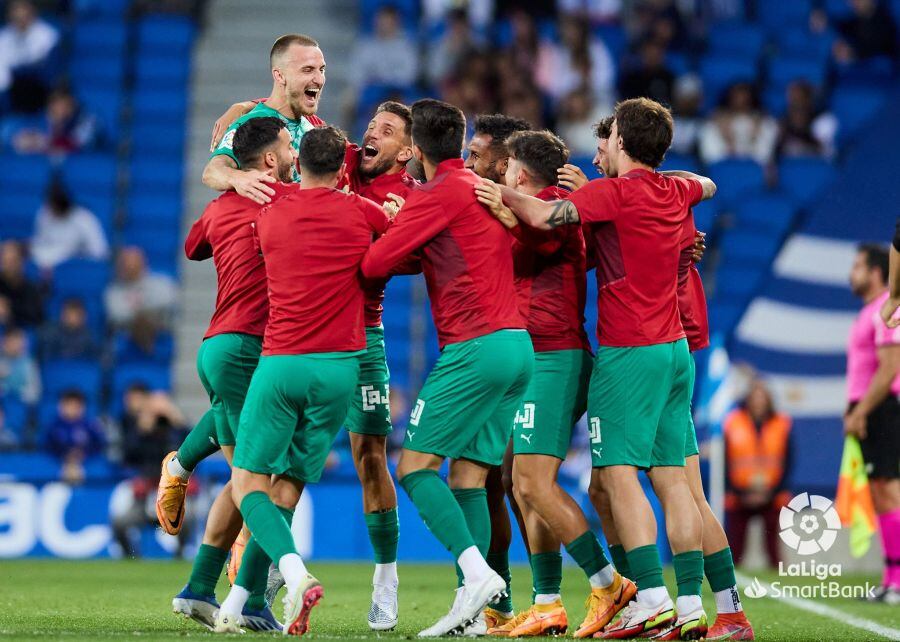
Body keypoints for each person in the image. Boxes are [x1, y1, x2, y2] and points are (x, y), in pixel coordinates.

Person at [480, 98, 717, 639]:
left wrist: (502, 193)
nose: (598, 150)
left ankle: (635, 592)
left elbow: (543, 216)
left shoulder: (606, 194)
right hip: (672, 349)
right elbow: (707, 183)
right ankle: (699, 608)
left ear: (623, 143)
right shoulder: (669, 189)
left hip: (623, 349)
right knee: (669, 485)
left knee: (607, 477)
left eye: (606, 141)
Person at [359, 99, 533, 638]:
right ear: (458, 143)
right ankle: (475, 614)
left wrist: (380, 224)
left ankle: (476, 574)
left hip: (475, 348)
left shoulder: (434, 195)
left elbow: (374, 266)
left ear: (415, 151)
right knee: (469, 476)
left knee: (413, 468)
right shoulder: (479, 189)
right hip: (517, 346)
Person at [213, 126, 392, 635]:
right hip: (340, 370)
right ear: (342, 170)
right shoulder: (362, 211)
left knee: (249, 483)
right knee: (287, 488)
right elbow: (390, 229)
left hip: (282, 361)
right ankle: (241, 601)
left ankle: (293, 575)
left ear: (299, 162)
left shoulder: (272, 211)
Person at [480, 129, 628, 639]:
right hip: (537, 357)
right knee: (518, 481)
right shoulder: (554, 203)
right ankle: (546, 602)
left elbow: (541, 235)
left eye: (507, 166)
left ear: (520, 170)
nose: (501, 174)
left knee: (531, 483)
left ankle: (611, 586)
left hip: (554, 357)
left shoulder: (552, 205)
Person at [162, 116, 295, 633]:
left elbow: (193, 245)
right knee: (260, 480)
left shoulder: (221, 206)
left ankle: (199, 587)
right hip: (248, 346)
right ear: (268, 160)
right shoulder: (283, 203)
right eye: (287, 145)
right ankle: (254, 594)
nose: (293, 151)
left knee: (245, 475)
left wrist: (227, 184)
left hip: (221, 345)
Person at [456, 112, 532, 632]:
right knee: (487, 482)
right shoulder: (470, 196)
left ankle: (555, 590)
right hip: (484, 353)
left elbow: (571, 250)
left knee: (518, 483)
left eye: (476, 154)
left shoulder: (532, 207)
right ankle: (495, 597)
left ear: (506, 161)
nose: (467, 161)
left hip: (530, 356)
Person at [205, 34, 327, 201]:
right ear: (279, 76)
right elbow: (212, 171)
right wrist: (237, 178)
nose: (319, 79)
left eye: (322, 70)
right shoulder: (255, 123)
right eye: (307, 70)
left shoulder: (311, 125)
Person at [845, 244, 900, 603]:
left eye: (859, 266)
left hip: (882, 409)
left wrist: (861, 410)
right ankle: (891, 578)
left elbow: (890, 367)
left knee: (890, 490)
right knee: (881, 493)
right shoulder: (869, 312)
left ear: (877, 272)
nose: (852, 273)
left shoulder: (885, 311)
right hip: (870, 408)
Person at [112, 385, 191, 558]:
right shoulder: (135, 426)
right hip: (145, 488)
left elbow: (193, 448)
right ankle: (129, 557)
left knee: (189, 518)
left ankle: (180, 554)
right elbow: (127, 455)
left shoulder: (175, 428)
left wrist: (175, 417)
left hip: (172, 490)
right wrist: (141, 429)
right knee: (120, 521)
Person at [723, 379, 793, 568]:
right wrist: (740, 492)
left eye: (762, 397)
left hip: (772, 495)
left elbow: (788, 462)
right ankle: (730, 580)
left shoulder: (781, 423)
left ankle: (778, 578)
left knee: (773, 548)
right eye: (755, 397)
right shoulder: (733, 422)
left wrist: (770, 492)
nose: (759, 402)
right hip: (740, 495)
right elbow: (725, 462)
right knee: (734, 547)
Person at [344, 5, 418, 118]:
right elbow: (356, 73)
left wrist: (384, 80)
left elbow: (409, 75)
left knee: (394, 101)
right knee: (348, 98)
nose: (384, 25)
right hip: (370, 89)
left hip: (396, 90)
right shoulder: (365, 45)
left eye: (388, 22)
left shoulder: (406, 47)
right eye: (382, 21)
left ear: (396, 23)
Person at [30, 179, 109, 271]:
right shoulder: (44, 214)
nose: (50, 210)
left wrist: (77, 256)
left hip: (80, 269)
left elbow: (99, 251)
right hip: (50, 266)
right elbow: (38, 244)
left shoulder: (84, 218)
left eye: (54, 207)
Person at [698, 82, 778, 166]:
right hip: (723, 167)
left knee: (769, 126)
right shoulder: (715, 121)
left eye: (744, 97)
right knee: (708, 127)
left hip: (754, 166)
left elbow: (764, 156)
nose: (740, 100)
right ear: (729, 98)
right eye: (736, 97)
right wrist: (726, 139)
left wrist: (754, 138)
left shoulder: (764, 122)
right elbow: (710, 156)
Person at [7, 87, 99, 155]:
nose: (62, 109)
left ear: (73, 106)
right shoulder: (36, 120)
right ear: (50, 105)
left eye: (67, 105)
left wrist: (46, 143)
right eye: (58, 104)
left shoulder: (84, 120)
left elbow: (80, 144)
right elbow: (17, 139)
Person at [104, 247, 177, 330]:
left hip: (159, 333)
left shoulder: (160, 282)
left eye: (132, 264)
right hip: (128, 336)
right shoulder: (114, 290)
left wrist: (138, 312)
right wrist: (147, 312)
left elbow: (168, 300)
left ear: (142, 263)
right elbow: (116, 315)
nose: (127, 268)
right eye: (124, 264)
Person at [44, 389, 104, 485]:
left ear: (82, 407)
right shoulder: (53, 427)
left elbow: (99, 446)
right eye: (68, 405)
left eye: (75, 406)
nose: (71, 409)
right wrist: (64, 457)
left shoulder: (90, 426)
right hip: (61, 463)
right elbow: (46, 448)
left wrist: (83, 455)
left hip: (84, 463)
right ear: (61, 406)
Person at [0, 0, 58, 93]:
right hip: (11, 94)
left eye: (23, 8)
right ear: (8, 13)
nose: (19, 13)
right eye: (15, 9)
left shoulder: (48, 35)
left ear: (33, 10)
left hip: (40, 92)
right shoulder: (2, 37)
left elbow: (45, 73)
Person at [775, 81, 836, 160]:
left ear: (808, 99)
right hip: (791, 167)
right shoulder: (783, 122)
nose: (795, 103)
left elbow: (827, 154)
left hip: (814, 166)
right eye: (792, 99)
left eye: (799, 98)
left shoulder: (824, 122)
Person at [833, 0, 898, 63]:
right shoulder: (852, 23)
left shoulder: (889, 15)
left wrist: (853, 53)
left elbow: (883, 46)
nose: (853, 2)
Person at [617, 39, 675, 106]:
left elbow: (672, 104)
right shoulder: (631, 79)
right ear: (643, 54)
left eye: (655, 55)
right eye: (649, 54)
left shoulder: (669, 78)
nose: (652, 57)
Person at [0, 240, 44, 327]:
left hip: (22, 333)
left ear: (21, 262)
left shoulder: (31, 287)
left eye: (13, 261)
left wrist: (9, 309)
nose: (9, 266)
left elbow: (36, 317)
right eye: (5, 261)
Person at [40, 297, 99, 361]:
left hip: (80, 366)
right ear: (62, 316)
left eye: (76, 316)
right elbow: (44, 351)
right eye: (68, 316)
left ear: (83, 317)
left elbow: (98, 351)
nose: (72, 320)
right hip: (58, 365)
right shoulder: (53, 331)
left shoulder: (88, 334)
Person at [0, 327, 40, 406]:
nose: (15, 345)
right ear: (4, 342)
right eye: (11, 341)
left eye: (18, 341)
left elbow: (35, 393)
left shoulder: (28, 363)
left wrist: (16, 393)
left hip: (20, 405)